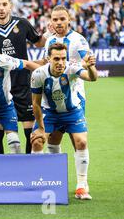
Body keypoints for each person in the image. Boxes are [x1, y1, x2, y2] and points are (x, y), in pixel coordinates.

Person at [0, 0, 48, 154]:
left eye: (4, 4)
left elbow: (38, 42)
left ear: (10, 6)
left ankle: (28, 165)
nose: (1, 8)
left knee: (28, 125)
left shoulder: (22, 24)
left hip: (23, 83)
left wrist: (48, 33)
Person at [31, 43, 98, 200]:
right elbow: (35, 103)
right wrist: (40, 128)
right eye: (56, 59)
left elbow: (92, 78)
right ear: (49, 59)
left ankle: (82, 186)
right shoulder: (38, 74)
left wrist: (91, 67)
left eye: (63, 58)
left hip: (72, 112)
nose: (60, 62)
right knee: (37, 141)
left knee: (81, 142)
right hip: (49, 113)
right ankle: (41, 182)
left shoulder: (71, 68)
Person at [41, 5, 92, 153]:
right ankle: (55, 175)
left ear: (69, 20)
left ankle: (81, 176)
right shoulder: (49, 41)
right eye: (55, 19)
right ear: (51, 21)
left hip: (75, 95)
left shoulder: (78, 39)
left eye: (62, 19)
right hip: (53, 96)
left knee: (77, 139)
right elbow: (46, 64)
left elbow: (87, 61)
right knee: (54, 138)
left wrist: (71, 67)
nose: (58, 22)